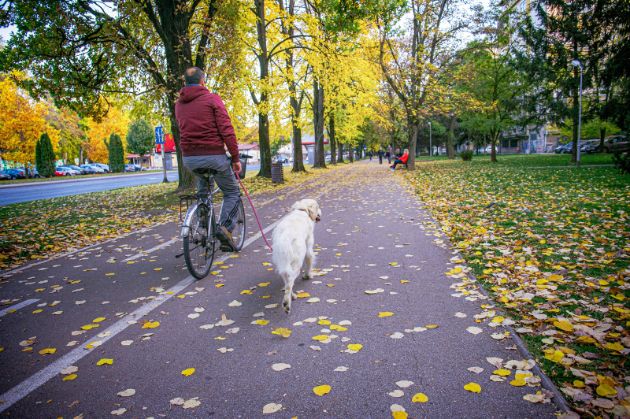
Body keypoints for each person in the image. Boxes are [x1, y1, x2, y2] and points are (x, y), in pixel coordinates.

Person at [175, 67, 241, 251]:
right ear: (203, 81)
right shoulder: (212, 99)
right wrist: (235, 157)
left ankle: (204, 222)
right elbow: (226, 129)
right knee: (232, 192)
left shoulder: (179, 104)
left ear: (185, 84)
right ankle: (225, 229)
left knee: (203, 191)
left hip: (190, 159)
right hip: (214, 156)